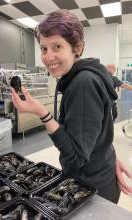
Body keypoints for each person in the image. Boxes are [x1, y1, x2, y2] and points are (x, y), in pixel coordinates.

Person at [11, 10, 132, 203]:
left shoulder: (82, 83)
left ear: (77, 48)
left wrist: (42, 113)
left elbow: (75, 157)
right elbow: (98, 132)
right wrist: (107, 159)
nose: (48, 57)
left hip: (93, 191)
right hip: (100, 174)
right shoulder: (89, 75)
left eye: (57, 46)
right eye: (43, 49)